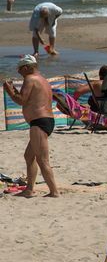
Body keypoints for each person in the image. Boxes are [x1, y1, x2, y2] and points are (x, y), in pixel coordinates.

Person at [3, 55, 58, 197]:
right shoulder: (42, 79)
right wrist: (14, 89)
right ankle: (29, 189)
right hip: (44, 120)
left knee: (42, 159)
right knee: (29, 156)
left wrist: (8, 90)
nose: (19, 72)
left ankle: (54, 191)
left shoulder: (30, 79)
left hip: (40, 122)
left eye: (20, 69)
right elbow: (29, 99)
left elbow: (21, 100)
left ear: (27, 67)